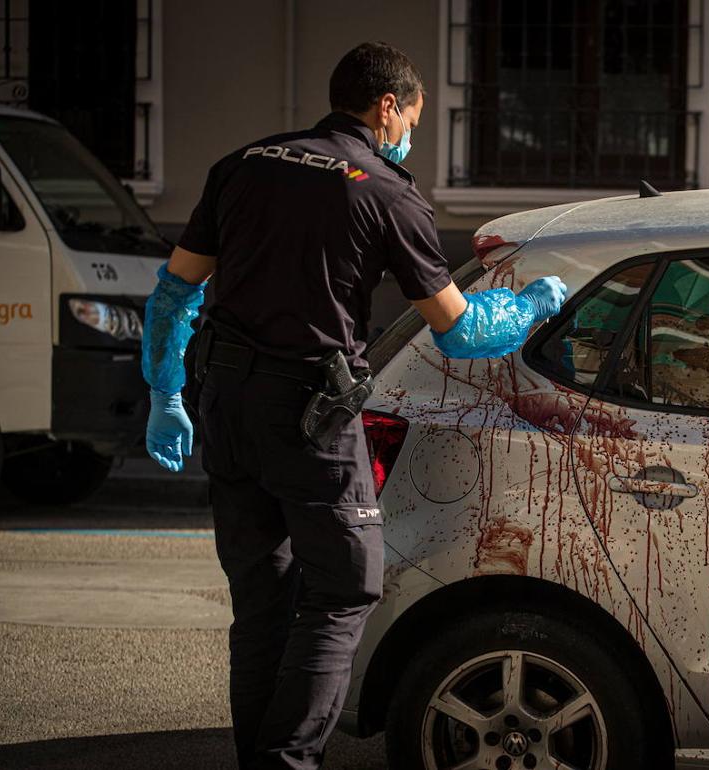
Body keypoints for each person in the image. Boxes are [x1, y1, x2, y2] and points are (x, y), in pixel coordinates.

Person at [140, 42, 566, 769]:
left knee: (262, 603)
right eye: (412, 124)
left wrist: (164, 390)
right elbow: (461, 331)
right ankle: (287, 762)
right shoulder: (385, 193)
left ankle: (260, 759)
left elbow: (175, 292)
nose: (409, 139)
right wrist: (531, 305)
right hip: (308, 412)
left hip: (226, 404)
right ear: (387, 107)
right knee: (345, 590)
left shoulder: (243, 163)